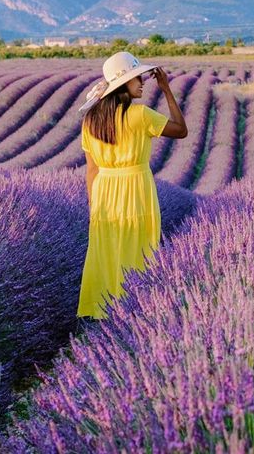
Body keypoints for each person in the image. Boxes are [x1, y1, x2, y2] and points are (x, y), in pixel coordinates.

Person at [77, 51, 188, 322]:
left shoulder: (90, 121)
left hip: (104, 194)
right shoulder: (140, 115)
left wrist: (94, 207)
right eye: (137, 78)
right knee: (139, 250)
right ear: (123, 85)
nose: (142, 82)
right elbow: (181, 130)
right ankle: (136, 314)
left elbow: (92, 169)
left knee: (108, 253)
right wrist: (167, 90)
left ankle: (105, 314)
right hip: (135, 190)